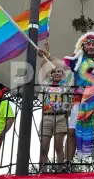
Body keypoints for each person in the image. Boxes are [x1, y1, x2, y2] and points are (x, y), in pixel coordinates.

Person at [38, 32, 94, 170]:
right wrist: (48, 56)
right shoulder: (76, 59)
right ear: (83, 46)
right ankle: (68, 164)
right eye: (88, 43)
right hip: (80, 100)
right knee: (71, 132)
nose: (91, 46)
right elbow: (61, 64)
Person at [38, 43, 68, 172]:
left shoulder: (66, 85)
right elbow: (43, 68)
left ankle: (60, 171)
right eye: (54, 71)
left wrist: (50, 56)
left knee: (58, 146)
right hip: (47, 117)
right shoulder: (46, 84)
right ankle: (43, 172)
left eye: (59, 72)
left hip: (61, 117)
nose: (56, 73)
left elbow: (64, 66)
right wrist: (45, 55)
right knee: (44, 147)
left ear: (62, 74)